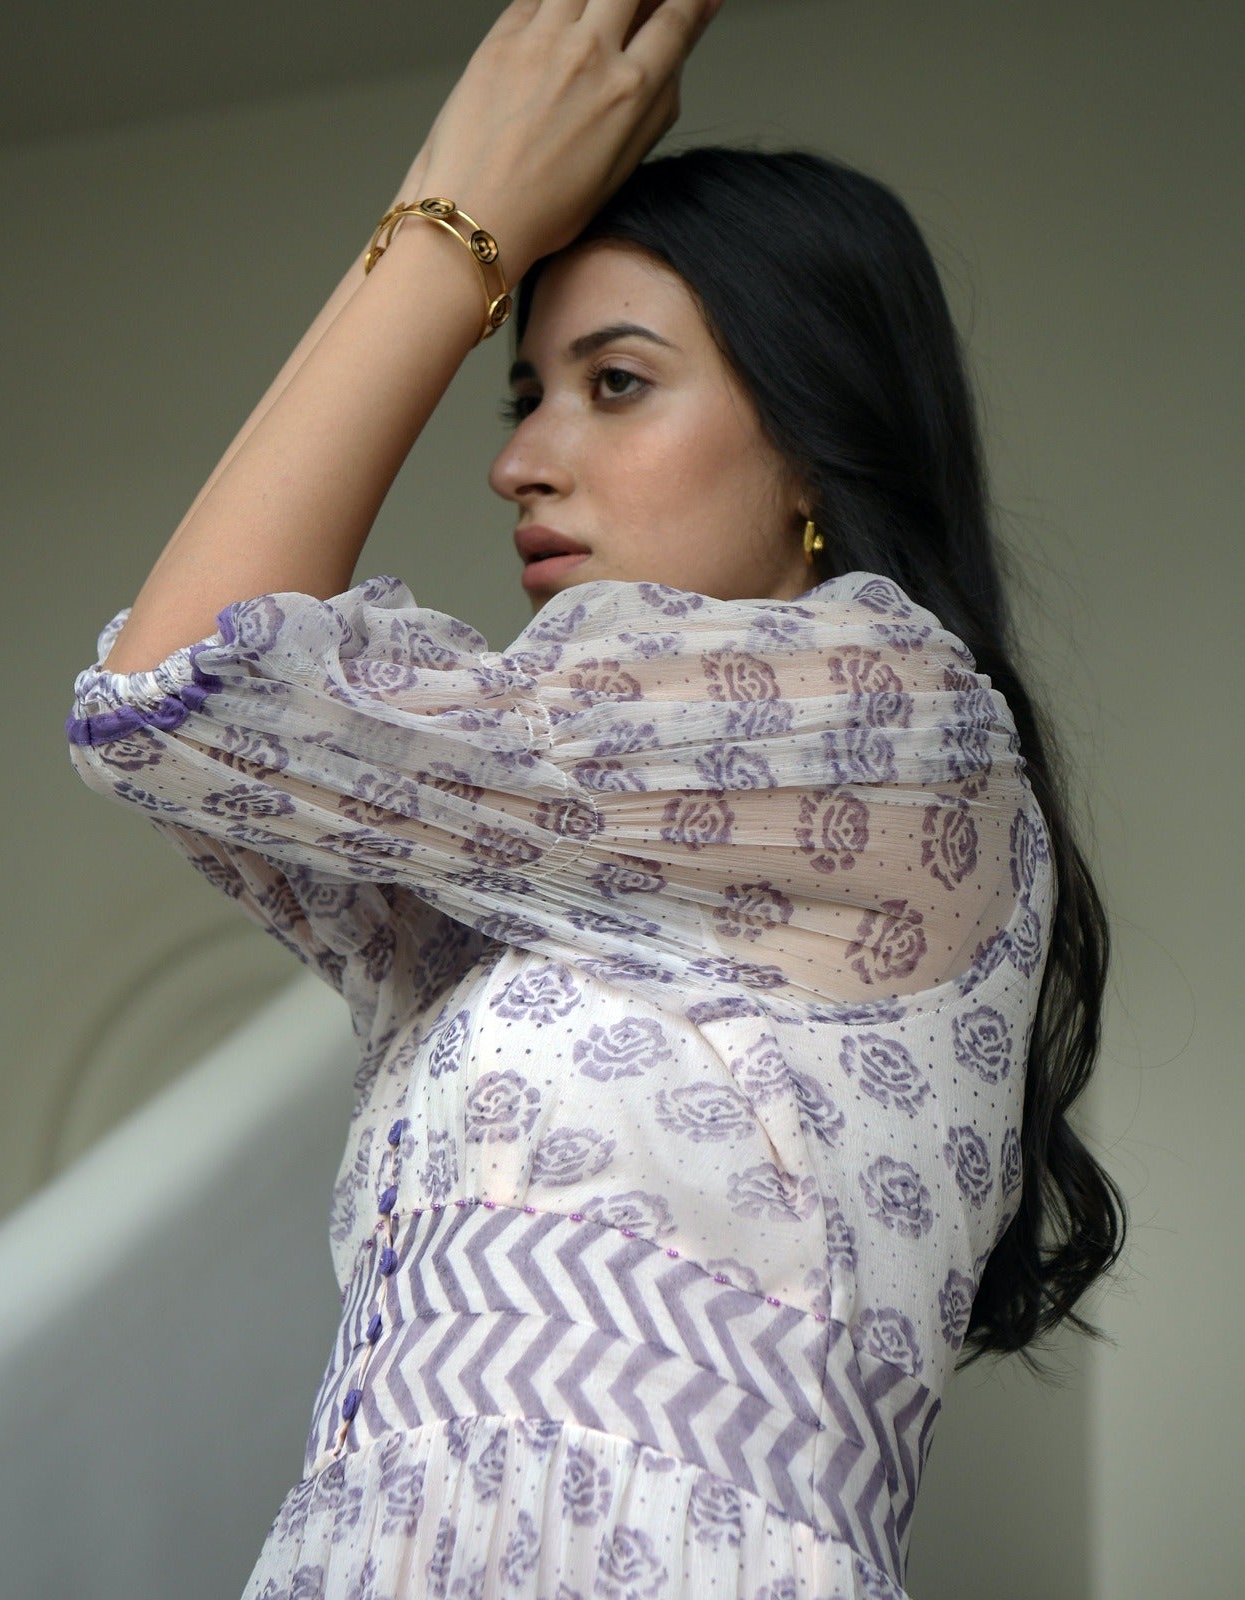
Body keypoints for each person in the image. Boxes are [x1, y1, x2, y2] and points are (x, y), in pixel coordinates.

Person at [64, 1, 1126, 1595]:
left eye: (617, 383)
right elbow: (180, 722)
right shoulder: (525, 873)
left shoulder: (895, 735)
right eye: (526, 394)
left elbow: (177, 697)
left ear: (815, 452)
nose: (523, 462)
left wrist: (456, 211)